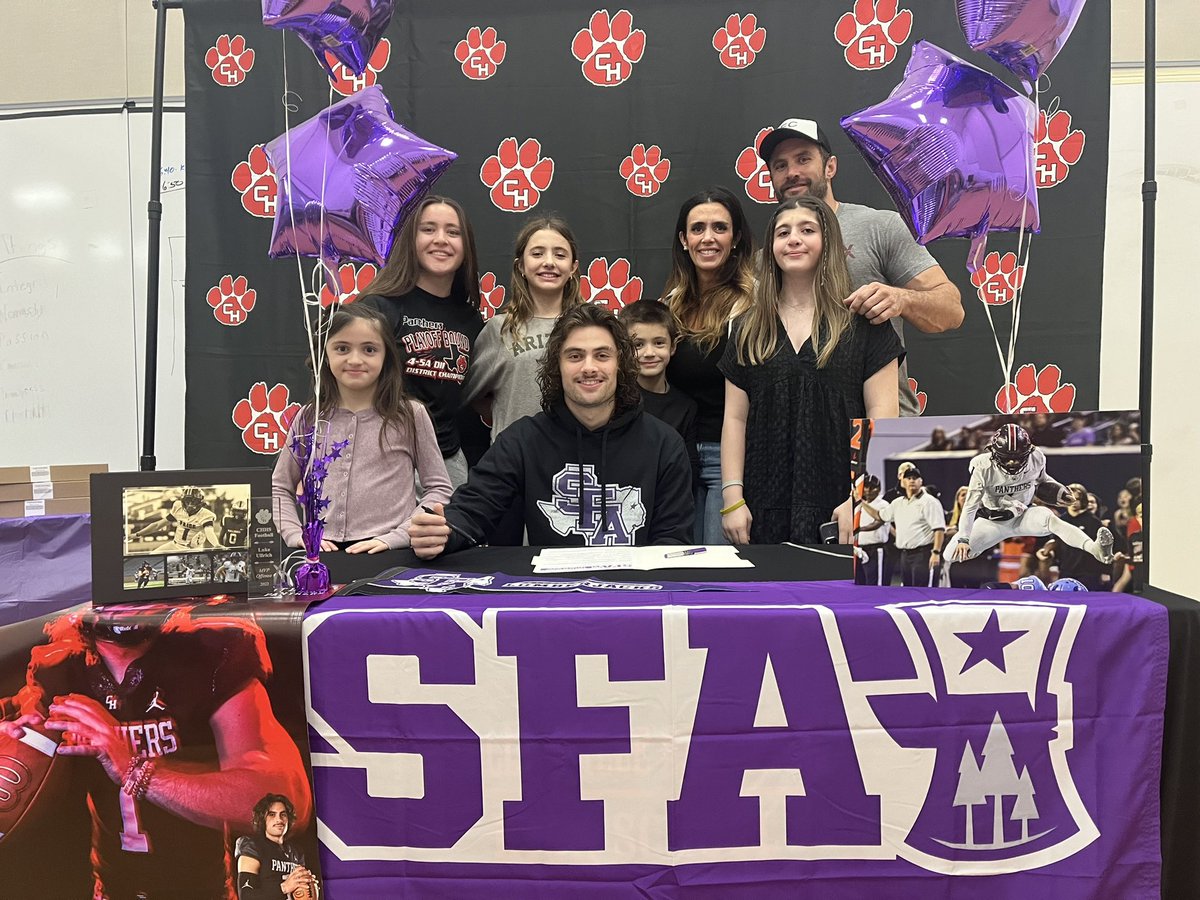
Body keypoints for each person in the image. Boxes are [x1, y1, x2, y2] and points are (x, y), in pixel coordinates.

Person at [0, 602, 312, 899]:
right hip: (109, 888)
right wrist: (14, 733)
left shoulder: (209, 651)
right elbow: (21, 718)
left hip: (203, 891)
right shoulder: (59, 662)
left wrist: (134, 768)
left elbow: (286, 804)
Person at [408, 303, 694, 557]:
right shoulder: (524, 440)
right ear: (557, 366)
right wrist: (442, 532)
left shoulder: (664, 444)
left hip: (635, 601)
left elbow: (673, 543)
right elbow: (474, 509)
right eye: (575, 356)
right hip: (552, 603)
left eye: (602, 355)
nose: (589, 367)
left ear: (621, 364)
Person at [719, 196, 903, 545]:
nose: (793, 239)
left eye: (807, 230)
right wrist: (732, 498)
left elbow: (883, 417)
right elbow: (735, 419)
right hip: (761, 507)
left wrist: (862, 497)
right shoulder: (747, 328)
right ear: (771, 247)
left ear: (828, 242)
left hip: (841, 507)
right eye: (782, 232)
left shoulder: (866, 326)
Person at [759, 117, 962, 416]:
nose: (792, 173)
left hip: (881, 420)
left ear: (830, 167)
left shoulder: (880, 227)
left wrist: (900, 299)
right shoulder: (767, 257)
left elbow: (951, 311)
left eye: (804, 159)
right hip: (801, 431)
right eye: (780, 165)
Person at [273, 304, 452, 554]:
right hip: (323, 556)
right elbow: (280, 487)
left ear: (386, 356)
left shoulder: (410, 415)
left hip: (391, 554)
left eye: (369, 349)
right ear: (324, 354)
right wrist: (294, 533)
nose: (355, 360)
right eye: (342, 348)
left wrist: (402, 535)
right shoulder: (308, 418)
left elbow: (439, 488)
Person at [359, 195, 485, 489]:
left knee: (451, 535)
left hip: (447, 460)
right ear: (409, 240)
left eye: (453, 232)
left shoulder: (471, 320)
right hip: (385, 458)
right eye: (428, 229)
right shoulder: (376, 308)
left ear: (466, 246)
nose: (441, 239)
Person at [662, 187, 756, 544]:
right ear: (684, 240)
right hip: (677, 455)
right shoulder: (669, 305)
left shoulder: (754, 303)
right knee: (676, 564)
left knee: (719, 568)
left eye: (720, 227)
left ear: (735, 239)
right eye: (698, 229)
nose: (708, 238)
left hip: (728, 459)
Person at [941, 425, 1114, 582]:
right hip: (992, 521)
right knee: (950, 554)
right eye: (1007, 458)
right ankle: (976, 548)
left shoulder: (1036, 456)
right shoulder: (982, 466)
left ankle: (1095, 549)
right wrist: (964, 538)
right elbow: (970, 505)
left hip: (1024, 515)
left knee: (1052, 521)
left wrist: (1059, 490)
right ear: (993, 453)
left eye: (1017, 457)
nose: (1012, 462)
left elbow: (1043, 480)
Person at [466, 216, 583, 442]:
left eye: (560, 255)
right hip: (513, 461)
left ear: (573, 267)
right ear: (521, 265)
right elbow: (472, 395)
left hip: (576, 457)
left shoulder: (590, 328)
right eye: (537, 254)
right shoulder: (499, 329)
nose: (549, 262)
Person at [621, 298, 700, 485]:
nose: (649, 353)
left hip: (669, 501)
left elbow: (689, 471)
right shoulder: (617, 399)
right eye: (638, 345)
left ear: (673, 347)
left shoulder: (685, 407)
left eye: (658, 343)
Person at [862, 466, 946, 586]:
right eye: (908, 478)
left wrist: (936, 553)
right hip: (905, 554)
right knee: (907, 590)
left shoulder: (929, 502)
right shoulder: (897, 503)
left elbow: (939, 529)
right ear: (902, 482)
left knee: (924, 592)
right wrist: (861, 502)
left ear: (921, 482)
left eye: (915, 478)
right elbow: (879, 516)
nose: (912, 480)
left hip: (924, 554)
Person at [235, 793, 318, 899]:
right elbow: (246, 896)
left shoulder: (296, 852)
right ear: (262, 818)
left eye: (283, 814)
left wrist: (308, 885)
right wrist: (283, 888)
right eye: (272, 814)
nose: (279, 820)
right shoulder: (253, 846)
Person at [131, 487, 224, 552]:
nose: (190, 505)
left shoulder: (206, 515)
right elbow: (158, 525)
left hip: (192, 549)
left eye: (194, 501)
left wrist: (216, 545)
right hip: (174, 545)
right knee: (152, 556)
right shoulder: (178, 506)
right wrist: (137, 534)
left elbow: (209, 532)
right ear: (183, 501)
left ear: (200, 502)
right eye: (187, 501)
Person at [854, 474, 892, 585]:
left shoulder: (883, 504)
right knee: (859, 583)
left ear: (879, 489)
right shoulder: (856, 506)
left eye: (872, 487)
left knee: (875, 583)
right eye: (866, 487)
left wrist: (860, 529)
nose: (869, 490)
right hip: (859, 548)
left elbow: (878, 522)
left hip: (875, 549)